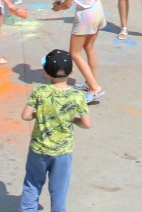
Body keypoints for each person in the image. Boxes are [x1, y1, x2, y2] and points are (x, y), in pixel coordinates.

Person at [19, 50, 91, 212]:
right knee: (59, 190)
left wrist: (39, 115)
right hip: (63, 151)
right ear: (72, 71)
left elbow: (25, 116)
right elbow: (87, 124)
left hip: (39, 148)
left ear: (46, 73)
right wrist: (71, 119)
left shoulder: (39, 90)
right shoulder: (77, 95)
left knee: (32, 183)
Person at [53, 0, 106, 103]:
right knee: (89, 47)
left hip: (85, 15)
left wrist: (57, 7)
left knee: (75, 53)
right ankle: (91, 83)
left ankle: (95, 88)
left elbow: (67, 4)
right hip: (98, 9)